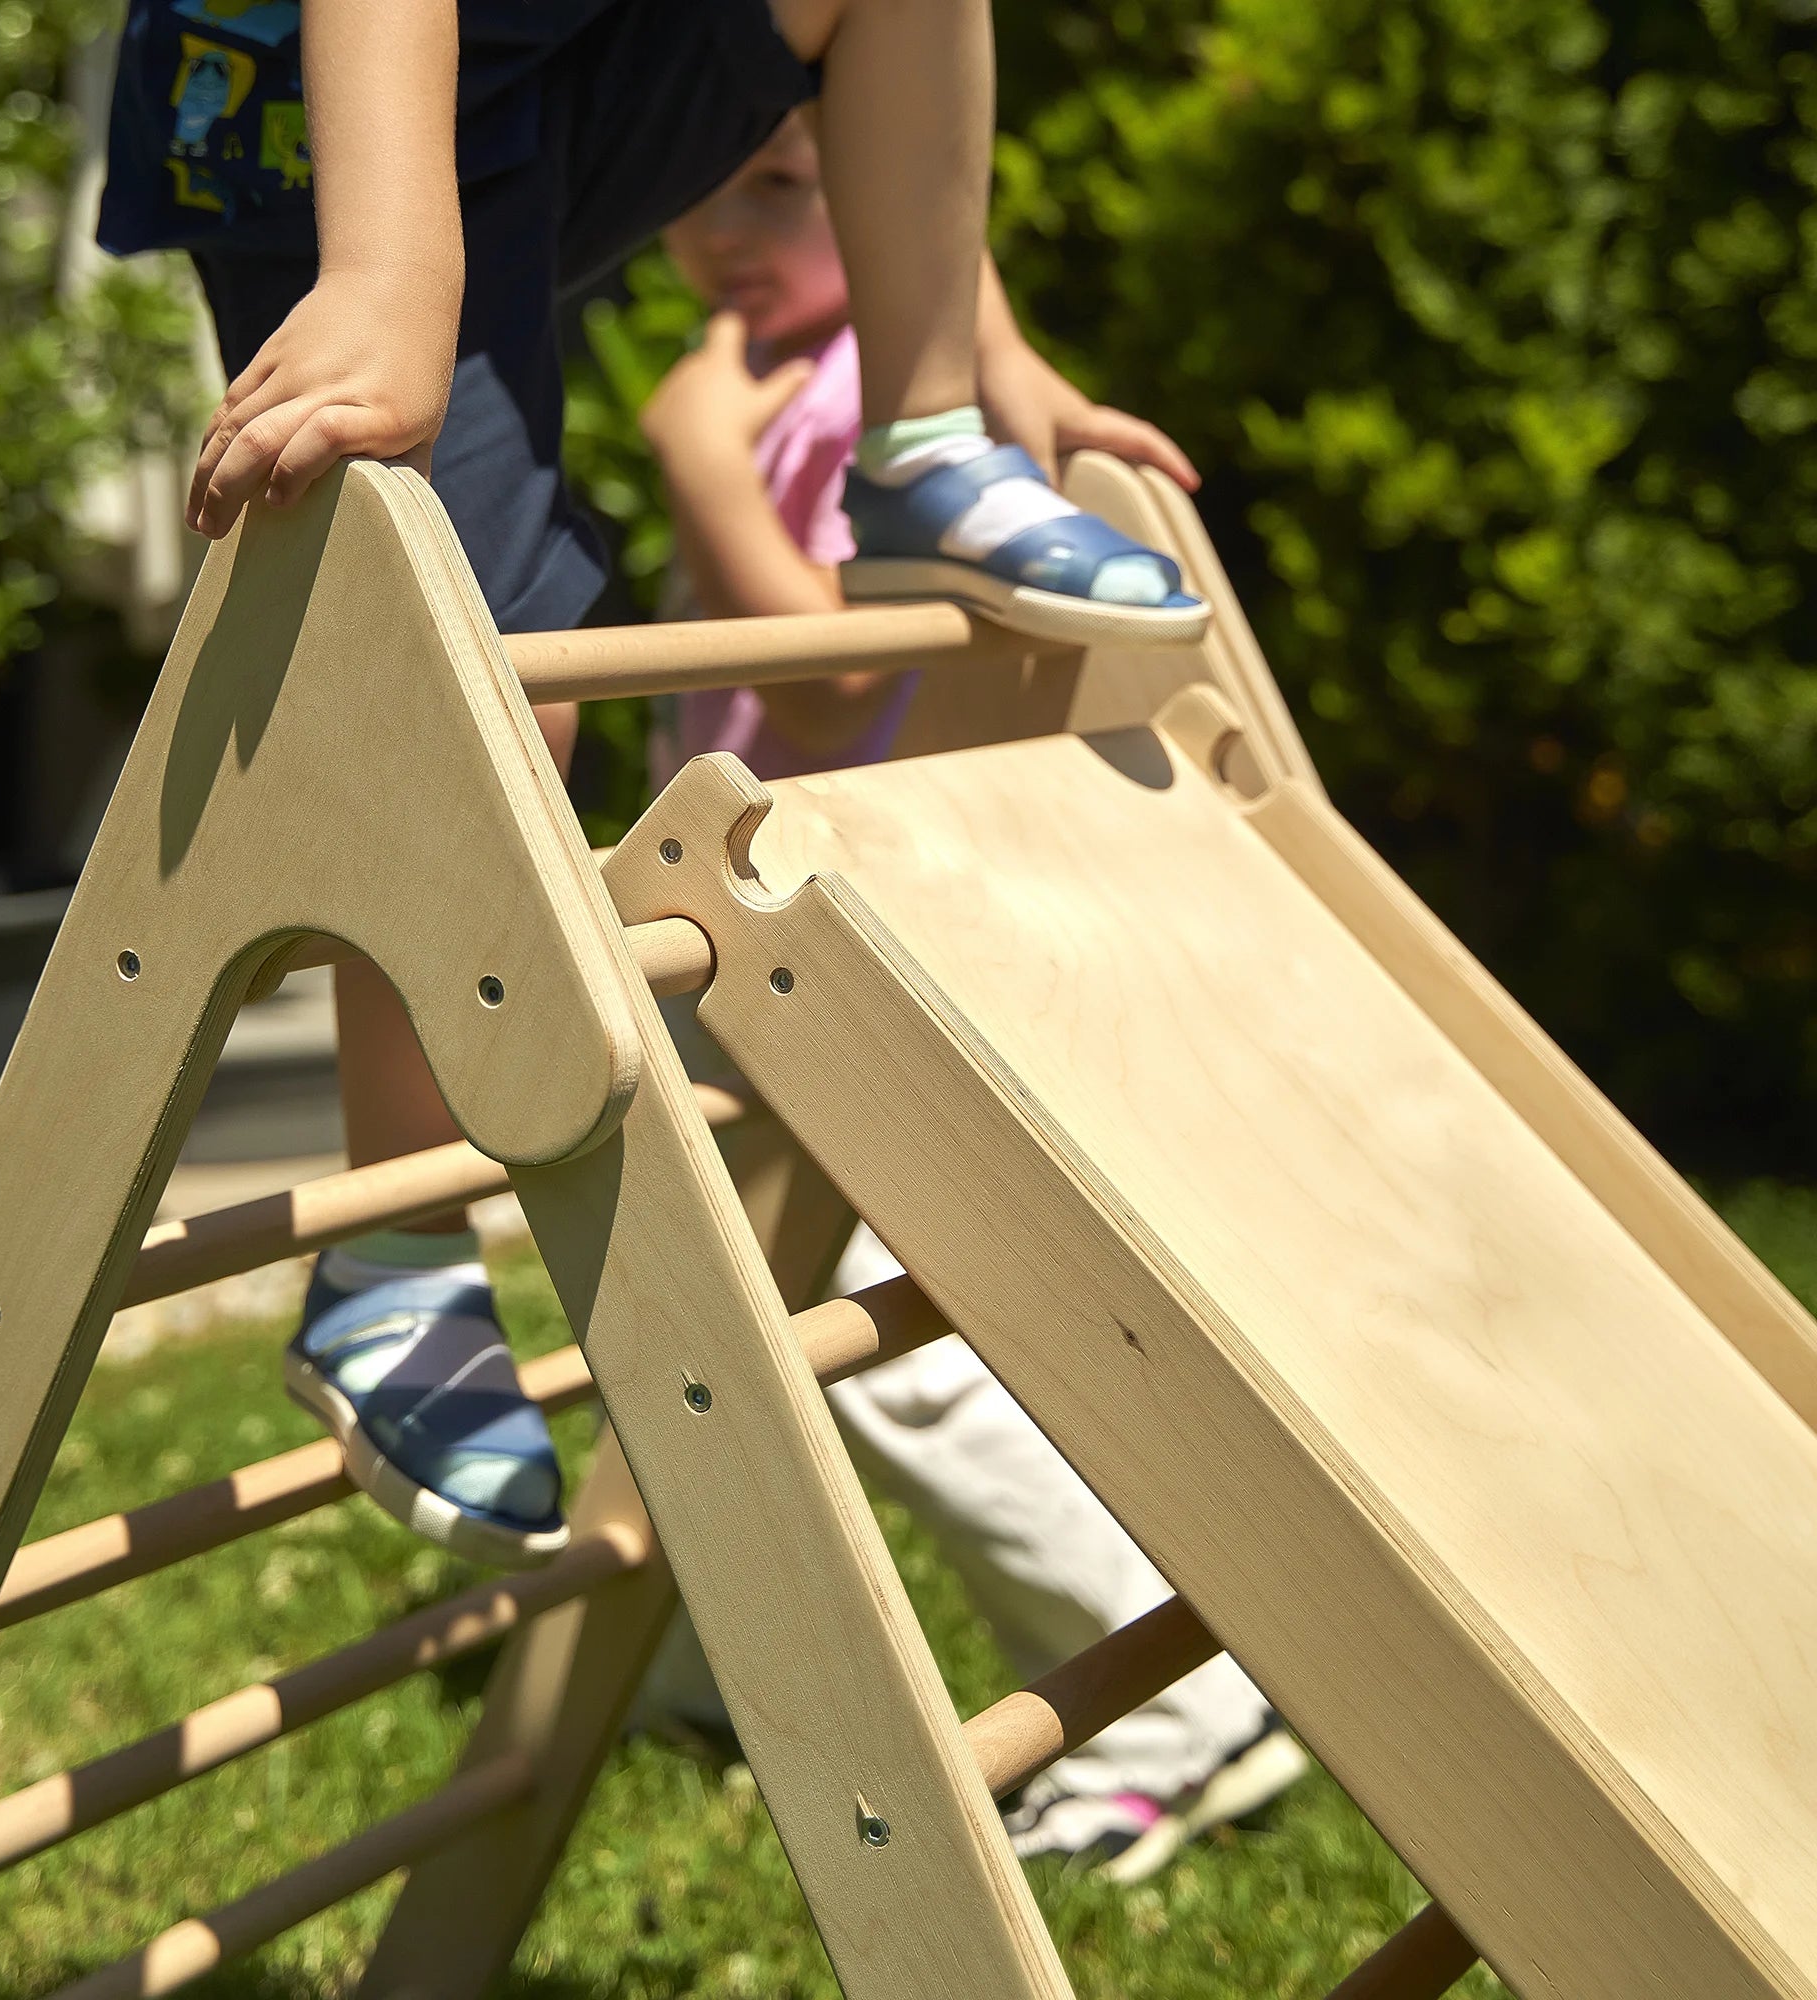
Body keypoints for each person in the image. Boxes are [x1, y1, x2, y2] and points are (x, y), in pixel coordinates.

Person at [98, 0, 1211, 1574]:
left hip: (550, 70)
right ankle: (396, 1244)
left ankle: (926, 438)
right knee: (474, 672)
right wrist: (386, 278)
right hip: (324, 99)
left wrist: (976, 351)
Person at [636, 112, 1305, 1879]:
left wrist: (702, 462)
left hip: (844, 933)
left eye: (780, 184)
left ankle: (1183, 1704)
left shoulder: (851, 405)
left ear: (887, 189)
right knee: (695, 1290)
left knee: (868, 1336)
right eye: (701, 185)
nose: (724, 229)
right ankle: (703, 1664)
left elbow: (840, 654)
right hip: (770, 920)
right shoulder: (803, 378)